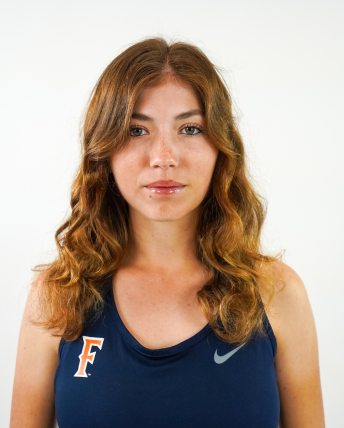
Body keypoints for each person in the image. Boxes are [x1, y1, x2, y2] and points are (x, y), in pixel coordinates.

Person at [10, 37, 325, 428]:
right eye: (137, 130)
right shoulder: (58, 295)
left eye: (190, 128)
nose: (163, 157)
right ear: (103, 149)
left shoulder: (277, 294)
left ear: (221, 147)